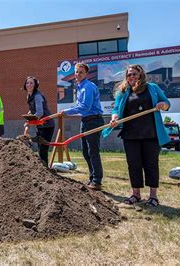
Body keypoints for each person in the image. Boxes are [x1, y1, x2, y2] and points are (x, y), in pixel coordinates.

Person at [104, 64, 170, 207]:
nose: (131, 77)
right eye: (129, 75)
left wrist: (162, 105)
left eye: (134, 74)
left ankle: (153, 196)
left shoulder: (152, 88)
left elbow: (166, 103)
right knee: (133, 164)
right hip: (130, 135)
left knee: (151, 164)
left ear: (141, 74)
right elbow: (116, 109)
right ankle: (136, 194)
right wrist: (114, 118)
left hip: (150, 134)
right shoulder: (123, 91)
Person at [60, 62, 104, 190]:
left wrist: (67, 112)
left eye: (81, 72)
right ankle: (92, 179)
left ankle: (97, 181)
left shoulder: (88, 87)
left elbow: (85, 107)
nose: (77, 74)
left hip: (94, 120)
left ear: (86, 74)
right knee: (86, 152)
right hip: (85, 121)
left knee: (93, 151)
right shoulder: (80, 86)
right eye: (76, 72)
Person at [23, 76, 55, 166]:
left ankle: (44, 169)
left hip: (47, 125)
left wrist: (30, 122)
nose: (29, 85)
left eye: (31, 83)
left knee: (43, 149)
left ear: (35, 85)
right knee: (40, 147)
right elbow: (32, 110)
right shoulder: (29, 96)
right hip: (40, 125)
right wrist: (28, 118)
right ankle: (42, 168)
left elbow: (39, 112)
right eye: (27, 83)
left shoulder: (37, 96)